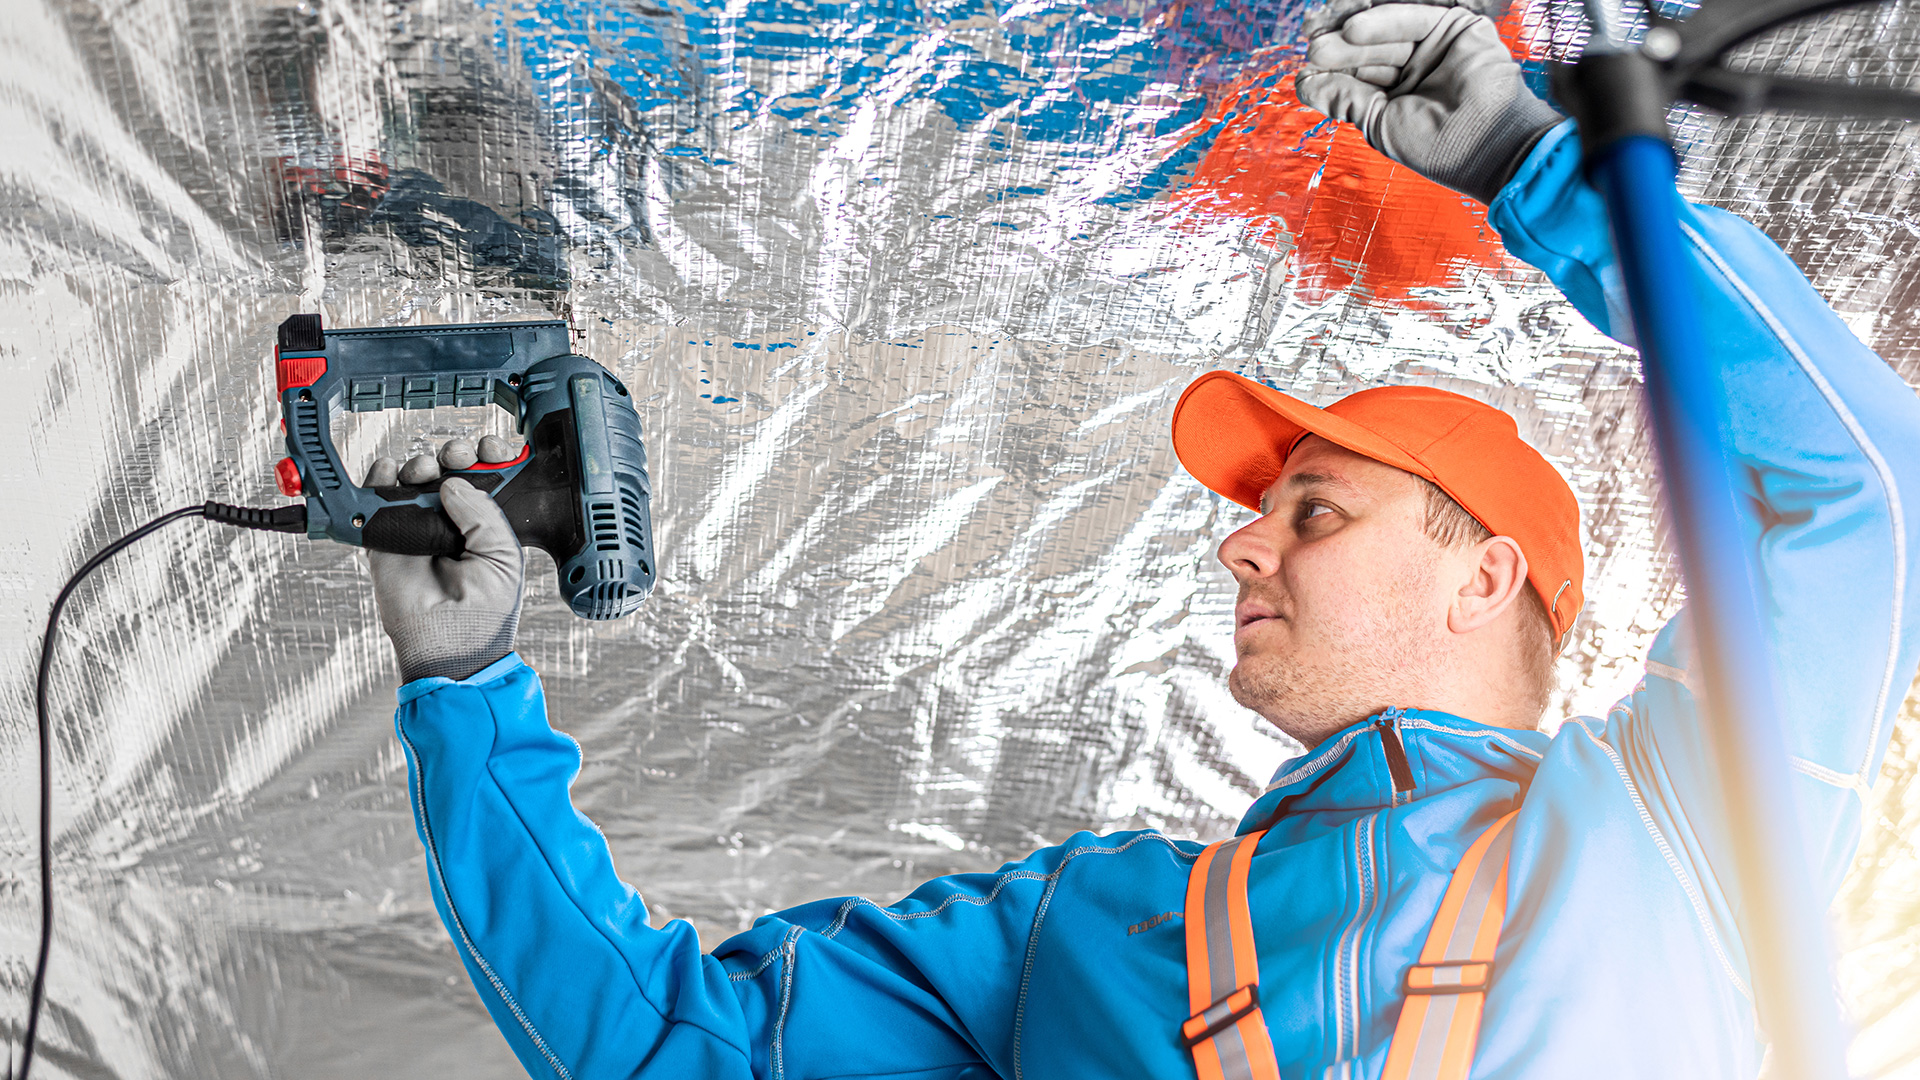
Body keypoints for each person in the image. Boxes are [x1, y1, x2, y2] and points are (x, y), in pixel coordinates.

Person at [364, 6, 1920, 1078]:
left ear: (1485, 576)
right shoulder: (1086, 932)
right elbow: (665, 1044)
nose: (1240, 553)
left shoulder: (1682, 822)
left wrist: (1535, 168)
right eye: (1258, 520)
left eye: (1314, 512)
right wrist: (467, 689)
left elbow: (1866, 488)